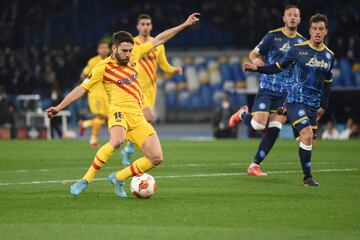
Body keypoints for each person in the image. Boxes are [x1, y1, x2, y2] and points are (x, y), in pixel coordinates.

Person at [46, 13, 200, 197]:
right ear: (114, 48)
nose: (128, 55)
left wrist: (183, 24)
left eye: (129, 50)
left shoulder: (135, 54)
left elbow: (159, 38)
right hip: (118, 111)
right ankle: (85, 180)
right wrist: (59, 107)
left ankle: (118, 177)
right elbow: (80, 89)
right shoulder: (102, 67)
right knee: (117, 140)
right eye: (124, 51)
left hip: (137, 115)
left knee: (157, 158)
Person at [242, 13, 334, 187]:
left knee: (309, 140)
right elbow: (277, 67)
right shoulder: (296, 49)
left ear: (326, 31)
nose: (317, 32)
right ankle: (307, 178)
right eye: (314, 28)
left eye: (321, 29)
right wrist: (256, 68)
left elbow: (328, 82)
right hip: (293, 98)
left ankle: (255, 165)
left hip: (312, 104)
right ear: (309, 30)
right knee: (267, 126)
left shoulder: (329, 56)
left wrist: (324, 105)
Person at [229, 5, 305, 176]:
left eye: (296, 15)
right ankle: (242, 114)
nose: (293, 17)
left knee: (275, 128)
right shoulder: (273, 36)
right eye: (289, 15)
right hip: (268, 88)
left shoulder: (302, 43)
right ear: (284, 19)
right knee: (257, 125)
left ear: (300, 19)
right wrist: (255, 61)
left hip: (286, 93)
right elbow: (253, 53)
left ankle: (254, 165)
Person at [120, 14, 183, 165]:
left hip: (151, 89)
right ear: (137, 26)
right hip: (135, 87)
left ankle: (128, 148)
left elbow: (163, 64)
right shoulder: (132, 44)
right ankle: (131, 148)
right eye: (142, 24)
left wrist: (173, 69)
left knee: (142, 120)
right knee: (148, 117)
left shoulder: (158, 45)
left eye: (148, 24)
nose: (145, 27)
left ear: (151, 26)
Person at [78, 40, 110, 148]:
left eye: (106, 48)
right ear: (98, 50)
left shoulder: (111, 61)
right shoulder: (93, 62)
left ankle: (85, 124)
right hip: (95, 94)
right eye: (102, 48)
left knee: (106, 119)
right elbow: (83, 75)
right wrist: (87, 84)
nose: (104, 50)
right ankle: (93, 140)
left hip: (107, 94)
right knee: (99, 116)